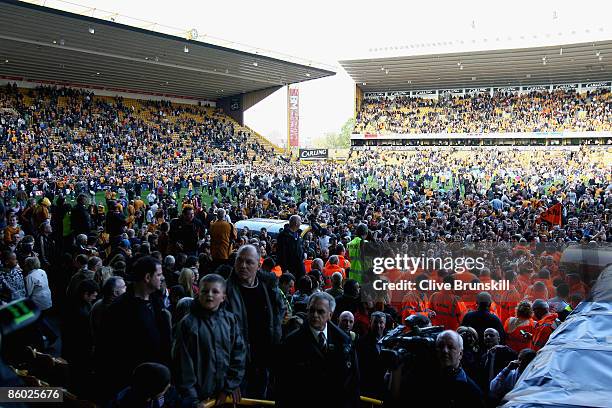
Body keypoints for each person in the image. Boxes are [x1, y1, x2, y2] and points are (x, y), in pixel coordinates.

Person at [97, 256, 172, 397]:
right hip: (132, 384)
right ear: (147, 277)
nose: (162, 278)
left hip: (157, 376)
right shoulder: (119, 309)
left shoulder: (157, 300)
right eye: (159, 274)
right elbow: (108, 349)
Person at [172, 274, 245, 407]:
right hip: (199, 398)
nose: (209, 295)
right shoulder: (188, 324)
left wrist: (230, 385)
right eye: (205, 291)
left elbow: (238, 354)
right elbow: (182, 364)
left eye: (215, 291)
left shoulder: (230, 320)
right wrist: (192, 398)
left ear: (223, 297)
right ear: (198, 293)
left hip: (225, 394)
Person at [278, 292, 360, 408]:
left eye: (320, 311)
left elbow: (354, 380)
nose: (315, 315)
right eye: (311, 310)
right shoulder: (292, 342)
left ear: (330, 315)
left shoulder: (344, 341)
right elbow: (283, 384)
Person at [223, 245, 284, 399]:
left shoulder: (269, 289)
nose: (243, 266)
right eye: (239, 261)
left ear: (258, 265)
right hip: (237, 367)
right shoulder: (224, 292)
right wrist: (230, 379)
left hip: (263, 361)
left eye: (249, 262)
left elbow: (278, 317)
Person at [112, 362, 180, 408]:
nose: (169, 385)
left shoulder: (170, 392)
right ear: (153, 392)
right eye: (166, 384)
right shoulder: (123, 402)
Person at [478, 327, 517, 399]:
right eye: (485, 335)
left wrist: (506, 348)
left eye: (491, 335)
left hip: (504, 394)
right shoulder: (483, 357)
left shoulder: (507, 352)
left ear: (498, 339)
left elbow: (517, 358)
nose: (488, 337)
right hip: (486, 395)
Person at [356, 311, 387, 400]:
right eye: (375, 322)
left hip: (386, 387)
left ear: (384, 324)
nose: (378, 326)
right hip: (369, 388)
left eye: (381, 323)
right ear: (370, 323)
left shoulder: (390, 341)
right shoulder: (361, 343)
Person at [276, 215, 306, 280]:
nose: (301, 224)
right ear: (296, 223)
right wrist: (285, 268)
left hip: (298, 267)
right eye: (300, 222)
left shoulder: (297, 234)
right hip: (290, 268)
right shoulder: (283, 236)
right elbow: (282, 253)